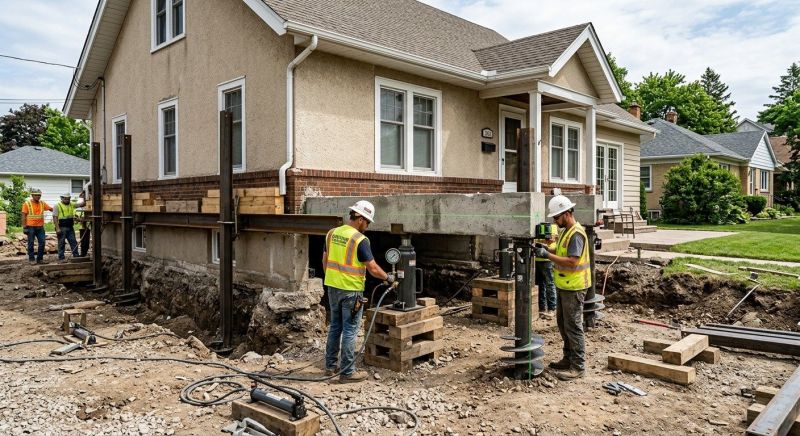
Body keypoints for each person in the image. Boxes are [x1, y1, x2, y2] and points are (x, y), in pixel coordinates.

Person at [322, 200, 393, 383]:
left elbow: (325, 260)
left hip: (332, 287)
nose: (367, 226)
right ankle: (347, 372)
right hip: (351, 291)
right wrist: (388, 278)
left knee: (335, 327)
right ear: (360, 218)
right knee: (350, 330)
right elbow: (373, 268)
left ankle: (330, 367)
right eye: (367, 222)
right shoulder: (360, 240)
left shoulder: (331, 233)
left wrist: (333, 279)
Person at [534, 195, 591, 381]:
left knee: (573, 326)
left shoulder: (576, 234)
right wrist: (544, 248)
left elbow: (572, 261)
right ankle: (568, 359)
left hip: (574, 288)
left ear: (566, 214)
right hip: (564, 286)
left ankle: (578, 366)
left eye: (556, 217)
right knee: (563, 324)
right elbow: (560, 251)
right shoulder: (566, 231)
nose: (554, 221)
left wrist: (547, 256)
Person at [21, 188, 53, 264]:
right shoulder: (27, 204)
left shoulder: (42, 203)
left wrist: (58, 209)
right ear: (32, 195)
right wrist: (24, 227)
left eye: (39, 195)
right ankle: (31, 259)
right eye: (36, 195)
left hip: (40, 227)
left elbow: (51, 209)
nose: (38, 197)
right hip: (30, 227)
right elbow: (23, 216)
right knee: (31, 243)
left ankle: (40, 259)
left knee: (42, 242)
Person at [534, 223, 558, 319]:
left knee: (549, 284)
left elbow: (552, 240)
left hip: (548, 260)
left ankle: (552, 308)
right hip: (537, 259)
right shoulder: (535, 226)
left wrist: (543, 244)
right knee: (540, 284)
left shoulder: (551, 226)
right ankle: (542, 308)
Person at [53, 193, 85, 261]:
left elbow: (82, 204)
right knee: (61, 242)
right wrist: (57, 228)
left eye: (68, 199)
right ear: (61, 198)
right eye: (65, 199)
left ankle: (76, 255)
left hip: (70, 227)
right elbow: (55, 218)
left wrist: (84, 197)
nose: (67, 200)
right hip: (61, 227)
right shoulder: (57, 206)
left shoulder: (71, 204)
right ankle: (61, 257)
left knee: (73, 242)